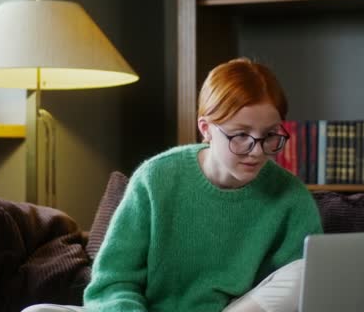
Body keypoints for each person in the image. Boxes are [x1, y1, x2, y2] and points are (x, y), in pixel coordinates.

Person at [22, 57, 323, 312]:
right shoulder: (157, 177)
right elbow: (114, 280)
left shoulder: (290, 197)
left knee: (303, 273)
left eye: (270, 135)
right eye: (240, 135)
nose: (257, 151)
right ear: (206, 129)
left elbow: (297, 293)